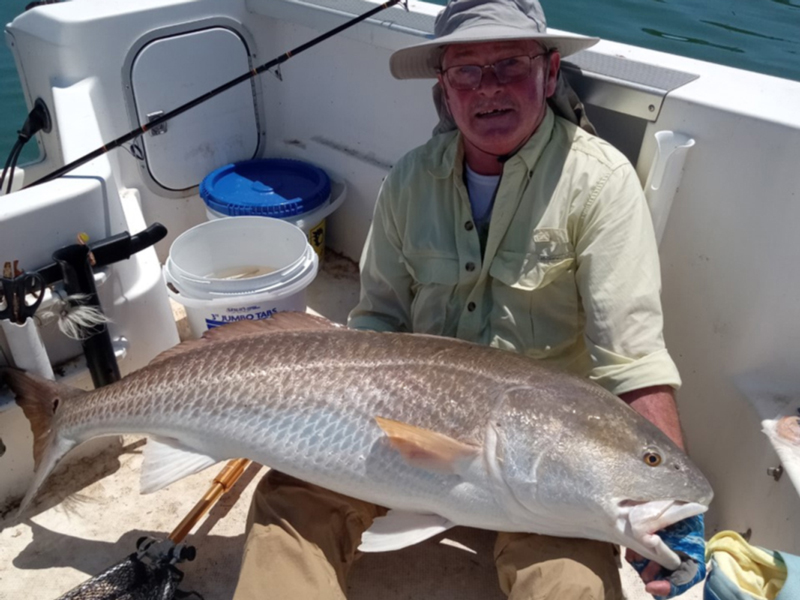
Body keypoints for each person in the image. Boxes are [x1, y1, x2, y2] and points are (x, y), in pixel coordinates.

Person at [233, 1, 700, 599]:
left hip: (544, 459)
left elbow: (633, 359)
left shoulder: (602, 185)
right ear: (444, 90)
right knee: (288, 500)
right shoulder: (409, 180)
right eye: (467, 73)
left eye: (510, 65)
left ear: (550, 72)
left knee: (571, 584)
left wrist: (675, 505)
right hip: (404, 430)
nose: (490, 90)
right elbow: (375, 322)